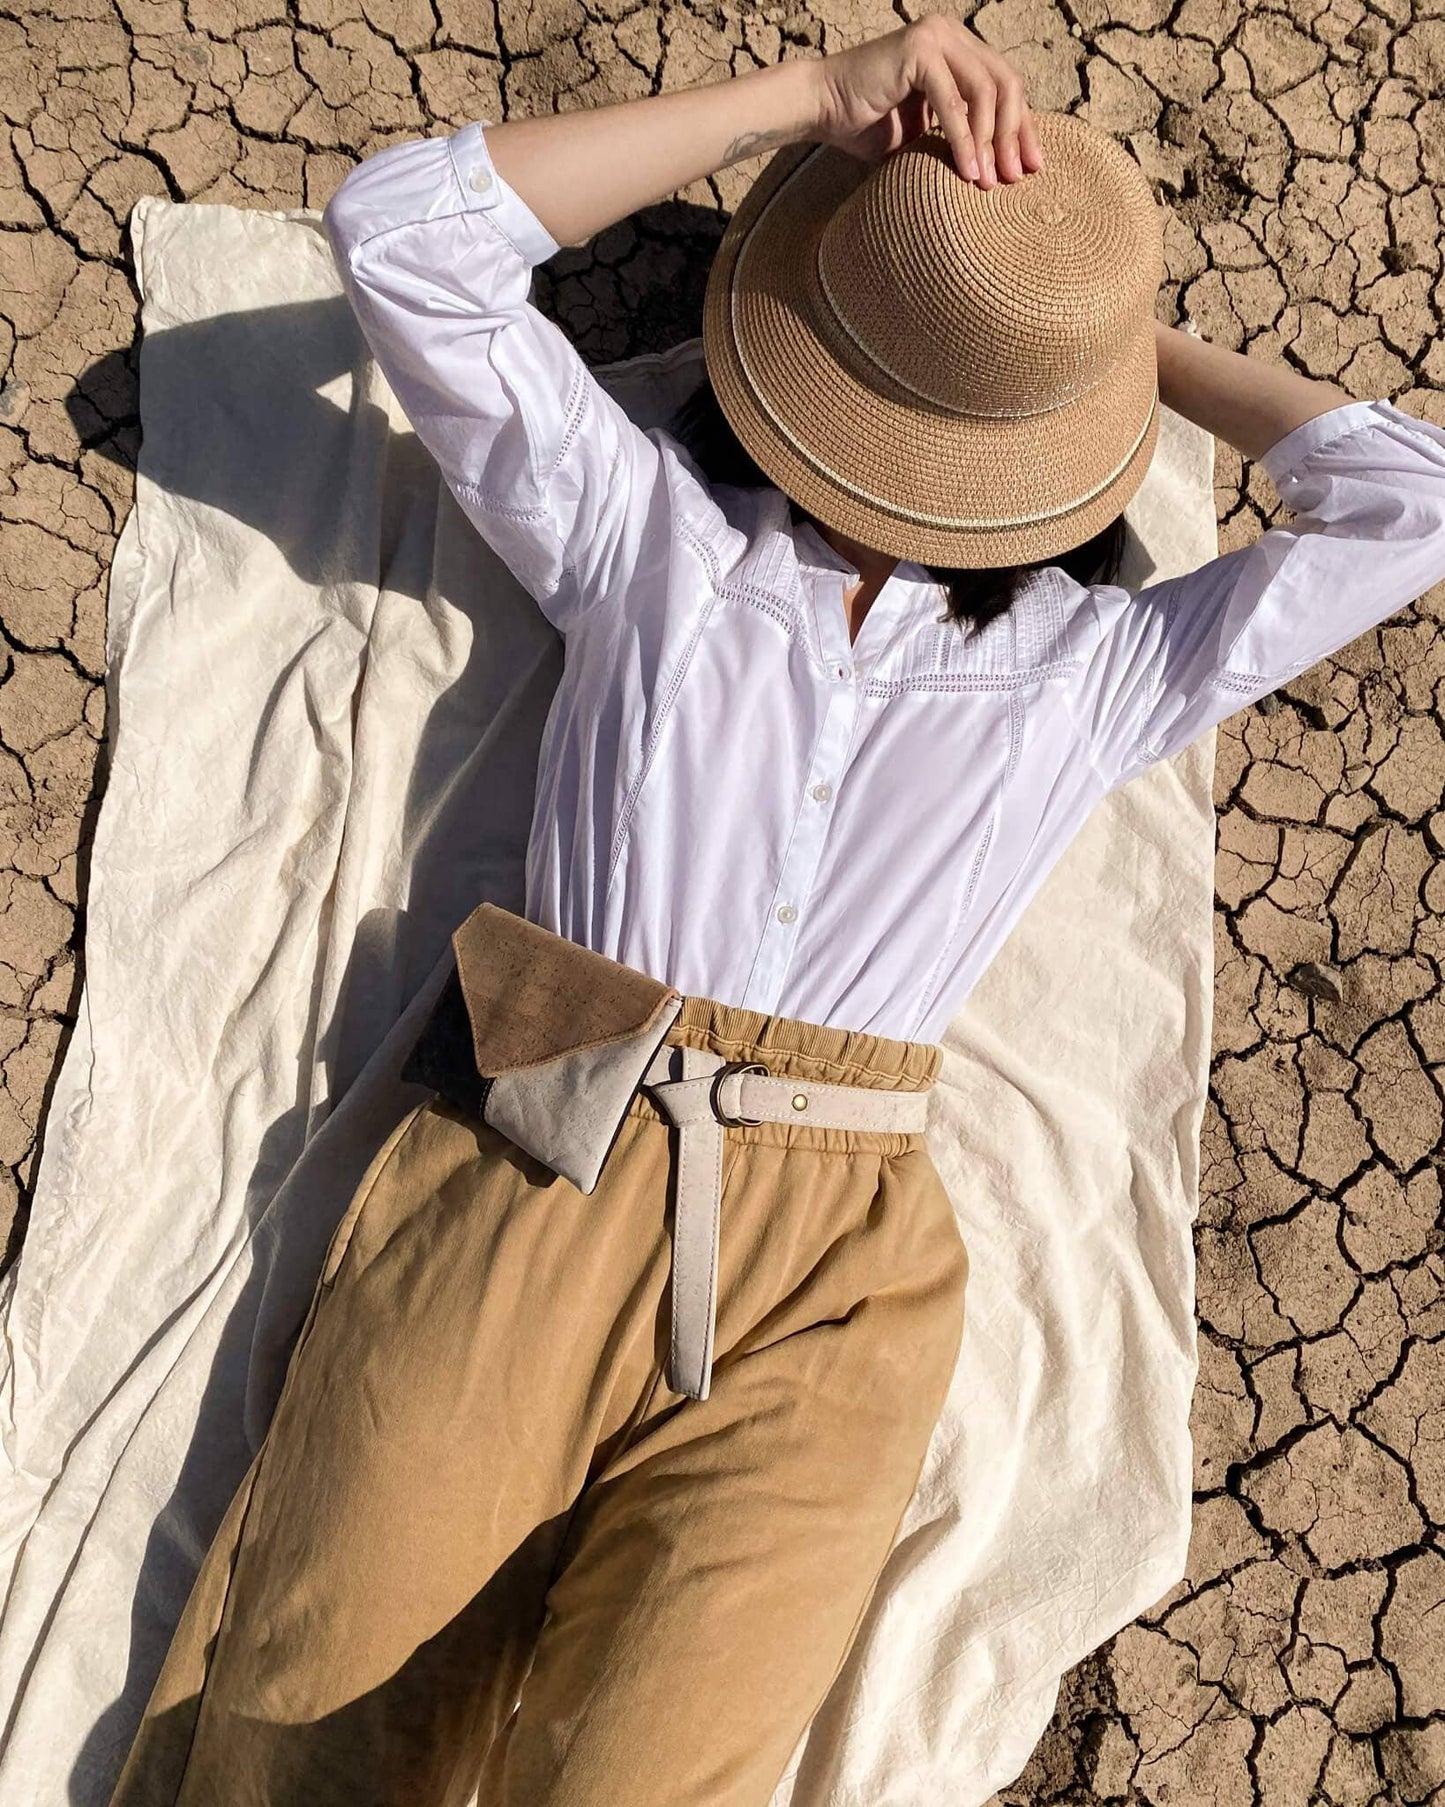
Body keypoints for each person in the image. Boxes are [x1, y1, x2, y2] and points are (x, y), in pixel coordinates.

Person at [109, 15, 1445, 1807]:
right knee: (307, 1729)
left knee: (656, 1781)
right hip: (538, 1152)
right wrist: (809, 99)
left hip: (840, 1257)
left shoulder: (1091, 665)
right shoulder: (650, 537)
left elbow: (1408, 504)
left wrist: (1081, 333)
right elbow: (401, 236)